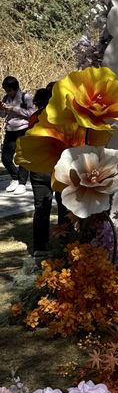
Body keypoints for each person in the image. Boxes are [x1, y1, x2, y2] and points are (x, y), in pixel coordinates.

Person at [28, 86, 68, 259]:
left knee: (41, 207)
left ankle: (40, 246)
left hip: (38, 168)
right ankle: (65, 241)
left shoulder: (34, 118)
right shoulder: (61, 117)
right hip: (58, 167)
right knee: (64, 205)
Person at [0, 76, 34, 195]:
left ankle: (22, 183)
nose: (8, 92)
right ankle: (15, 178)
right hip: (10, 130)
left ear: (16, 88)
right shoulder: (6, 98)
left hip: (23, 130)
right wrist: (2, 109)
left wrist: (14, 108)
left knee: (22, 157)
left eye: (10, 90)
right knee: (5, 157)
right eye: (6, 90)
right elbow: (3, 115)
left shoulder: (26, 97)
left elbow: (31, 113)